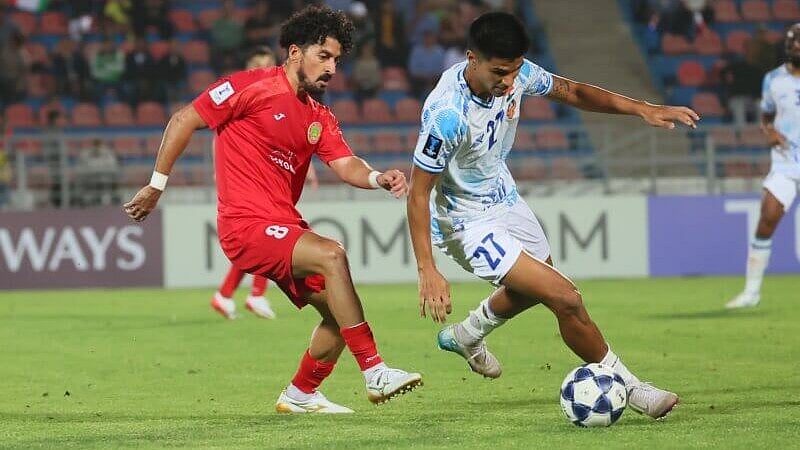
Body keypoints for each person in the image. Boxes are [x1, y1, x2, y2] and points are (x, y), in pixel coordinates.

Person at [124, 5, 422, 414]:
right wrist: (157, 185)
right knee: (332, 254)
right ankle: (374, 371)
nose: (332, 67)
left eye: (337, 59)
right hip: (245, 226)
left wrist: (376, 178)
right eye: (324, 56)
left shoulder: (319, 115)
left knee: (340, 313)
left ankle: (300, 394)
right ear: (295, 52)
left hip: (283, 223)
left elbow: (345, 162)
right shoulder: (248, 87)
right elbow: (183, 119)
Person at [407, 12, 699, 420]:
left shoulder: (518, 72)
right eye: (499, 72)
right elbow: (418, 193)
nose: (509, 83)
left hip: (505, 198)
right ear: (471, 58)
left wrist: (642, 108)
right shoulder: (447, 114)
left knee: (533, 289)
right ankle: (633, 389)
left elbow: (573, 92)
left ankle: (467, 335)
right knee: (565, 297)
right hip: (466, 222)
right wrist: (427, 267)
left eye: (513, 72)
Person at [209, 45, 316, 321]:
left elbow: (288, 140)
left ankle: (229, 294)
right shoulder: (241, 95)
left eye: (269, 63)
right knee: (262, 239)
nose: (267, 69)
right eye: (261, 63)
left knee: (261, 241)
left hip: (269, 182)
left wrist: (308, 166)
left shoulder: (278, 97)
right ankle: (251, 295)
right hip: (246, 185)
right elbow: (222, 137)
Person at [727, 24, 800, 309]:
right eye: (794, 43)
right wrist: (769, 132)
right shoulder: (773, 80)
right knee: (767, 218)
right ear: (788, 47)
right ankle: (751, 291)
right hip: (786, 163)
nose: (797, 47)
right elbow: (767, 117)